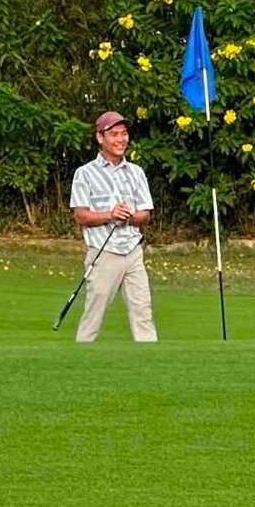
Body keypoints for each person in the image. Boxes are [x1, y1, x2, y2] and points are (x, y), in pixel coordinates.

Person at [69, 111, 156, 343]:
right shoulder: (84, 174)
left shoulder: (136, 173)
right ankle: (80, 360)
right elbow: (81, 216)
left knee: (143, 312)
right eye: (114, 134)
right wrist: (110, 215)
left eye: (124, 134)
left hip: (133, 251)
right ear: (100, 138)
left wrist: (127, 217)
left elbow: (145, 214)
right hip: (103, 253)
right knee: (93, 315)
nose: (121, 140)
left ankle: (151, 364)